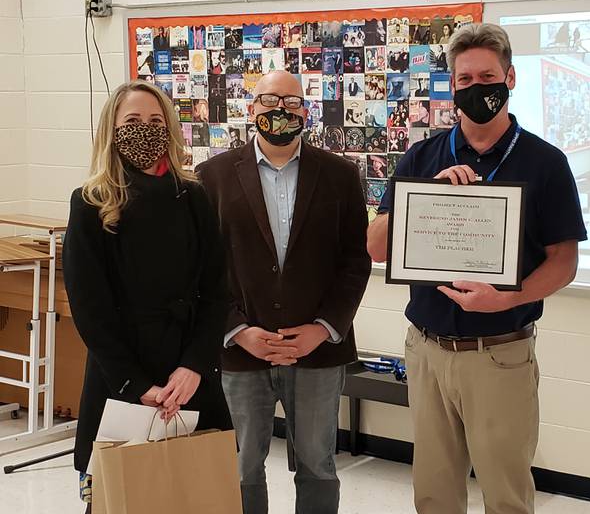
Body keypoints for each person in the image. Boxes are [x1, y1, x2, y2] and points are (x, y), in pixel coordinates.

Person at [366, 23, 586, 514]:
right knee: (433, 494)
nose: (475, 87)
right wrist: (424, 199)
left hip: (500, 355)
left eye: (487, 75)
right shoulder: (423, 156)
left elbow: (565, 262)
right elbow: (376, 247)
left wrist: (507, 297)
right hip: (426, 351)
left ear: (510, 78)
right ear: (452, 86)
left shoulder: (545, 163)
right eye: (464, 79)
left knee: (506, 494)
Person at [196, 70, 371, 514]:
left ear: (306, 112)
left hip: (316, 351)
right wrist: (237, 331)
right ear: (251, 108)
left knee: (317, 464)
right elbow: (202, 268)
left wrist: (322, 328)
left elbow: (355, 262)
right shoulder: (211, 176)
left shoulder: (341, 175)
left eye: (292, 103)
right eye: (270, 101)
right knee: (240, 467)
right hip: (240, 352)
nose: (281, 111)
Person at [62, 80, 232, 513]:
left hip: (190, 376)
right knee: (122, 497)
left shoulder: (194, 196)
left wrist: (195, 366)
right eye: (133, 121)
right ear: (112, 130)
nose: (146, 129)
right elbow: (90, 311)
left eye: (156, 121)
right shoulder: (90, 203)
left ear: (171, 129)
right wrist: (137, 386)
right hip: (122, 379)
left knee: (199, 494)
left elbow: (216, 292)